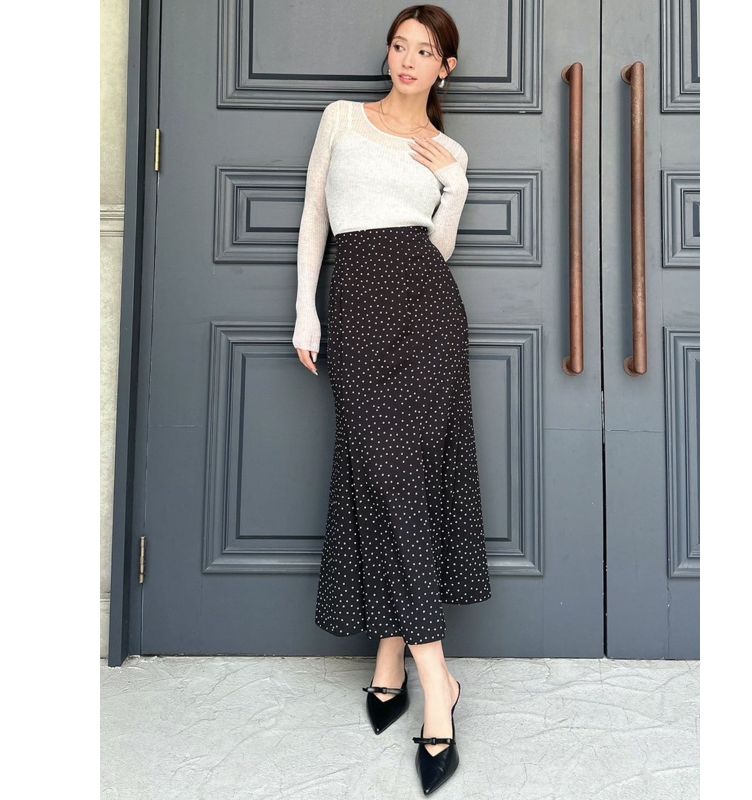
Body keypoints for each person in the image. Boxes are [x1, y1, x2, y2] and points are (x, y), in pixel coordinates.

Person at [292, 6, 491, 794]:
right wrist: (305, 309)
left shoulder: (448, 150)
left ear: (445, 67)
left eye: (425, 51)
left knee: (406, 478)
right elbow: (316, 214)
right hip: (355, 304)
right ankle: (435, 673)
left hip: (426, 308)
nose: (408, 59)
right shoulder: (342, 118)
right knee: (379, 472)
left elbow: (437, 247)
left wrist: (456, 185)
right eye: (400, 46)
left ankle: (399, 660)